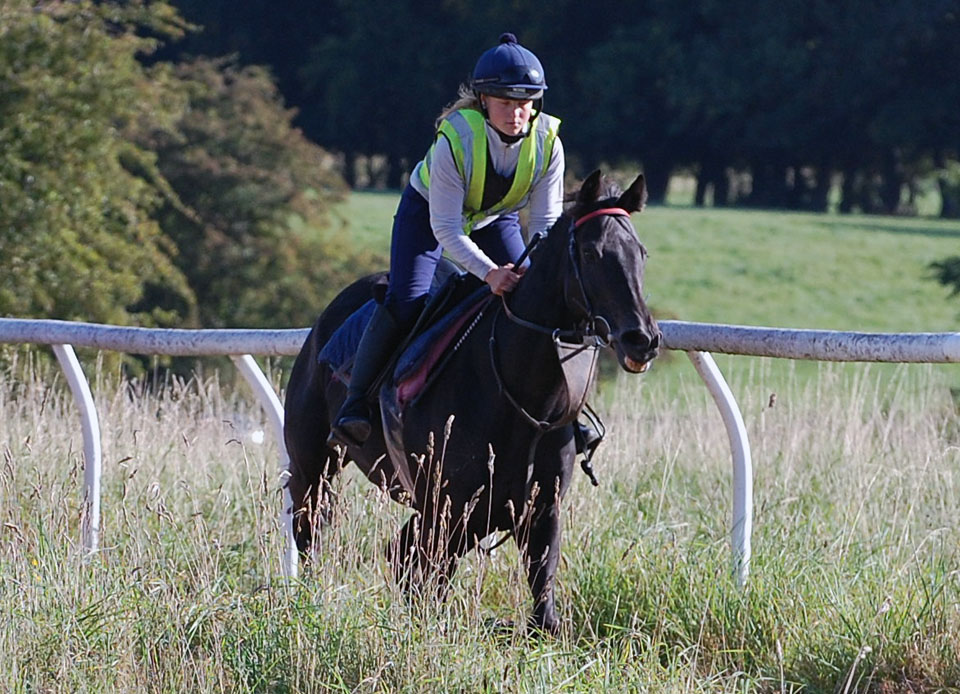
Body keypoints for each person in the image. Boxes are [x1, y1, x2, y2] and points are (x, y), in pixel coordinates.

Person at [331, 32, 600, 460]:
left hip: (495, 218)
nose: (518, 112)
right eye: (507, 101)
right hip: (429, 218)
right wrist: (490, 273)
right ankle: (355, 402)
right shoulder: (455, 141)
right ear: (483, 100)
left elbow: (545, 225)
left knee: (537, 299)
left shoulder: (549, 143)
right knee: (409, 300)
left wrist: (533, 274)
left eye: (527, 102)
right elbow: (448, 230)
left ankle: (568, 413)